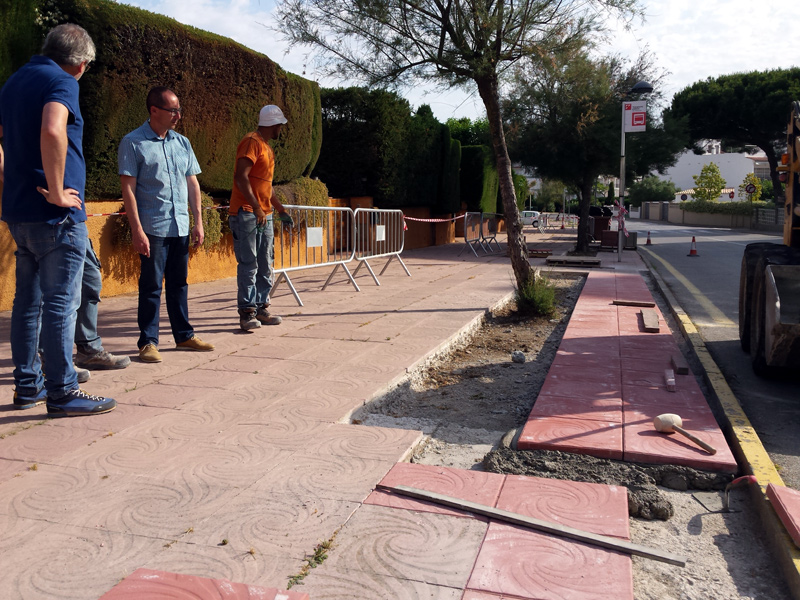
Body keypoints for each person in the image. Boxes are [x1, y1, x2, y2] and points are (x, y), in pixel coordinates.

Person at [0, 23, 116, 416]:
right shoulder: (62, 81)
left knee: (26, 305)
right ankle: (63, 391)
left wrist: (9, 179)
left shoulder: (14, 82)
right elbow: (53, 130)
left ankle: (27, 386)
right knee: (61, 304)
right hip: (57, 215)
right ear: (81, 63)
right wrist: (54, 188)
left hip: (19, 211)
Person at [118, 86, 215, 363]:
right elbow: (128, 190)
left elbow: (192, 183)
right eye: (173, 110)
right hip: (153, 227)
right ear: (154, 110)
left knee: (179, 284)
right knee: (151, 286)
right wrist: (136, 229)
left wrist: (199, 222)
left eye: (179, 110)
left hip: (180, 226)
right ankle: (148, 342)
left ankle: (183, 335)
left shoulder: (182, 143)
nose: (178, 115)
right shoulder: (133, 143)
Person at [228, 105, 293, 331]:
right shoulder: (252, 142)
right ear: (273, 124)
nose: (281, 130)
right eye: (280, 125)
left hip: (263, 214)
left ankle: (261, 308)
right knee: (249, 263)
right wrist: (256, 207)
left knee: (266, 263)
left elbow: (267, 187)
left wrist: (281, 210)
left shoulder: (266, 148)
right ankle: (247, 313)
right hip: (246, 212)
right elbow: (240, 177)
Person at [73, 240, 131, 370]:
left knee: (90, 283)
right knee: (55, 293)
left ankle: (88, 351)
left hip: (75, 227)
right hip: (51, 228)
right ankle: (50, 360)